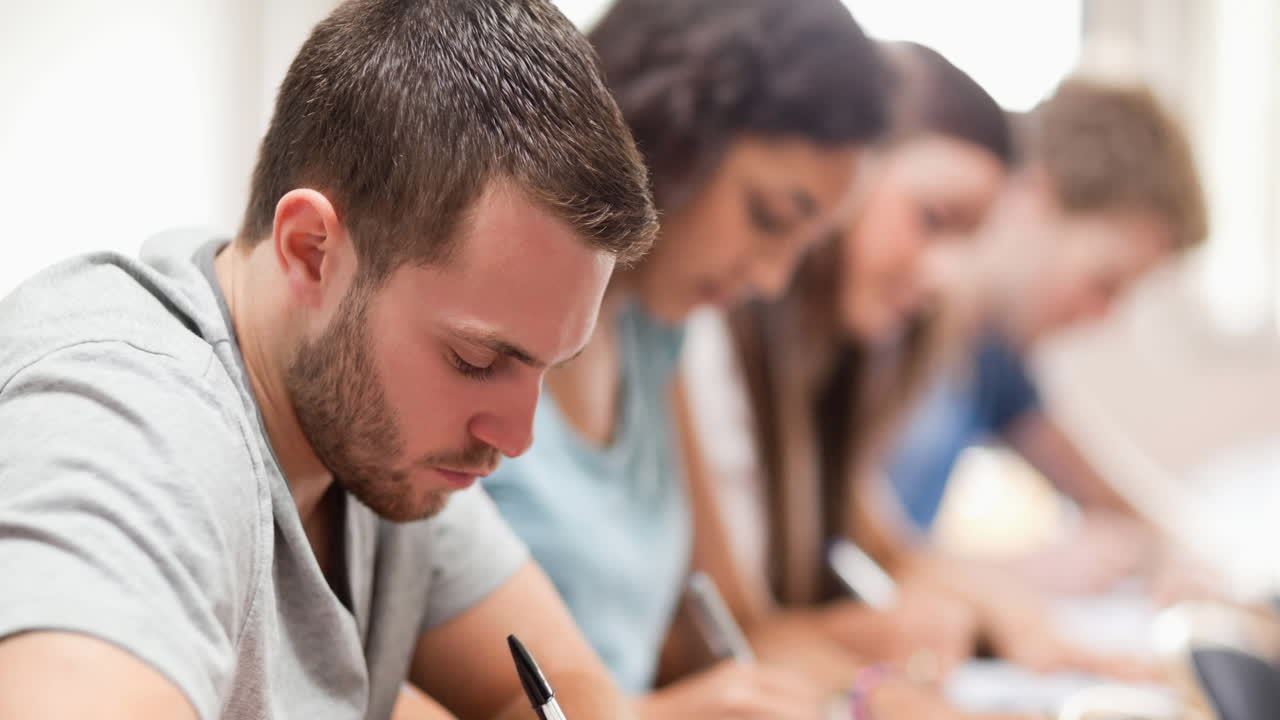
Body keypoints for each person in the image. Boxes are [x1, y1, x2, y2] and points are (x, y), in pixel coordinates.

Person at [0, 1, 659, 719]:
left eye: (549, 367)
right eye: (476, 360)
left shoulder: (375, 440)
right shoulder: (128, 429)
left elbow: (565, 692)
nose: (517, 436)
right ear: (311, 251)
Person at [482, 0, 906, 718]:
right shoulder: (476, 325)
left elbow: (728, 625)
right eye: (768, 217)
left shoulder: (653, 327)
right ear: (668, 136)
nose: (772, 281)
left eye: (803, 244)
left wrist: (880, 696)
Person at [680, 40, 1016, 697]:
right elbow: (723, 634)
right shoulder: (701, 338)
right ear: (849, 176)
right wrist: (867, 671)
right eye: (932, 219)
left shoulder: (826, 369)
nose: (943, 276)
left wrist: (1014, 618)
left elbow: (890, 549)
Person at [884, 79, 1209, 596]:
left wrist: (1178, 558)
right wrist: (1015, 575)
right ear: (1034, 197)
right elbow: (840, 565)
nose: (1101, 317)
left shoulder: (993, 361)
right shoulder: (881, 318)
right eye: (1103, 282)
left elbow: (1105, 496)